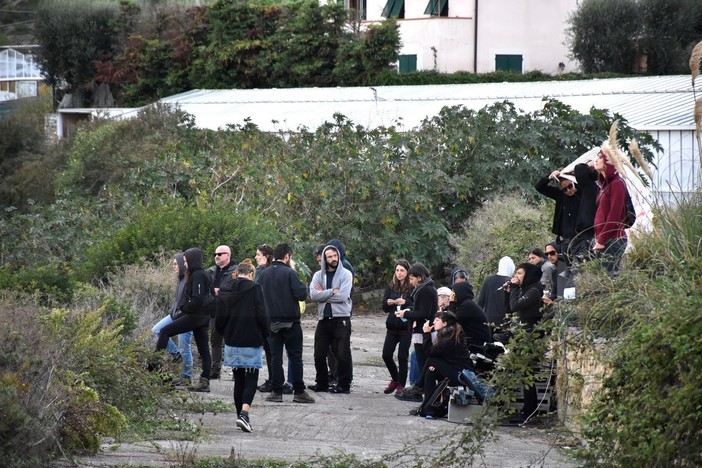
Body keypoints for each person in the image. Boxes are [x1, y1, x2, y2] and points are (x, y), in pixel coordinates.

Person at [257, 243, 315, 403]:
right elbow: (301, 294)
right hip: (291, 322)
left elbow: (258, 297)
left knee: (276, 358)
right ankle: (299, 392)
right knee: (295, 358)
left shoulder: (264, 274)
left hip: (272, 323)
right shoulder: (290, 273)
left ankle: (276, 392)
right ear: (287, 256)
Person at [215, 260, 268, 433]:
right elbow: (261, 313)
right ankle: (244, 414)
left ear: (237, 273)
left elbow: (220, 317)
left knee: (238, 380)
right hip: (251, 339)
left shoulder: (225, 289)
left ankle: (240, 415)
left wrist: (224, 332)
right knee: (251, 378)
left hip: (232, 339)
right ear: (251, 273)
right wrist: (265, 333)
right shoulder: (255, 289)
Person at [156, 247, 212, 392]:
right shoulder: (197, 274)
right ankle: (204, 381)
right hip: (202, 317)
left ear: (192, 260)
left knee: (164, 331)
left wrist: (184, 308)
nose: (185, 263)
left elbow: (197, 299)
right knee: (204, 350)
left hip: (196, 316)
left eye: (186, 260)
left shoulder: (198, 275)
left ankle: (154, 365)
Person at [502, 262, 547, 425]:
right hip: (522, 334)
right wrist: (508, 293)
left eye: (520, 273)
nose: (516, 276)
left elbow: (516, 306)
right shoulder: (526, 289)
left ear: (528, 275)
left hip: (530, 336)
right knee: (522, 373)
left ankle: (530, 411)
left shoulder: (534, 290)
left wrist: (513, 289)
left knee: (527, 373)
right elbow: (509, 310)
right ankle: (526, 410)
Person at [308, 244, 354, 394]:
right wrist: (331, 292)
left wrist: (324, 295)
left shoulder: (346, 274)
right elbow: (313, 296)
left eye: (335, 255)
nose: (333, 259)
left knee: (342, 354)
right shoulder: (318, 275)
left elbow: (343, 296)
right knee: (319, 354)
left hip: (341, 319)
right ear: (324, 259)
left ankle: (343, 385)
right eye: (329, 256)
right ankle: (322, 383)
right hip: (324, 319)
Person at [409, 311, 472, 419]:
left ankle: (419, 386)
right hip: (451, 368)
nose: (434, 322)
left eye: (437, 320)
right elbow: (439, 355)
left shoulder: (450, 338)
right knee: (430, 371)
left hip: (460, 373)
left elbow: (430, 353)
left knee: (431, 360)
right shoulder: (447, 334)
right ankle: (428, 408)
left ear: (445, 323)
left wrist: (426, 333)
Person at [394, 263, 438, 401]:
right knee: (423, 362)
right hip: (422, 329)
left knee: (423, 362)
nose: (410, 281)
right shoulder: (425, 289)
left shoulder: (425, 291)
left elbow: (423, 313)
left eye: (412, 278)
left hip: (423, 330)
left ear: (419, 278)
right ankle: (421, 388)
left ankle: (421, 390)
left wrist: (406, 315)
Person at [255, 243, 293, 395]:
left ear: (266, 256)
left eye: (258, 254)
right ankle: (273, 379)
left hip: (275, 316)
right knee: (269, 350)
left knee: (274, 351)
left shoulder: (272, 272)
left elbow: (257, 287)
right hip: (264, 316)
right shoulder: (263, 271)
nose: (256, 257)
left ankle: (276, 381)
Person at [151, 253, 193, 386]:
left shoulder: (190, 278)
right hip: (174, 314)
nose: (174, 266)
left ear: (182, 264)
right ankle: (176, 355)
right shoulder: (180, 278)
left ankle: (186, 377)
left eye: (176, 264)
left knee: (184, 346)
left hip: (186, 317)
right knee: (157, 330)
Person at [380, 259, 413, 395]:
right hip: (392, 326)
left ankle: (401, 384)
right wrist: (389, 303)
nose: (399, 273)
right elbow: (384, 308)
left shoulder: (412, 287)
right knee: (386, 354)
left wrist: (405, 302)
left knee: (402, 356)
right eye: (397, 270)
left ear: (407, 272)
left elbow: (415, 305)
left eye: (402, 270)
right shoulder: (391, 286)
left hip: (405, 326)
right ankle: (395, 378)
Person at [593, 148, 629, 273]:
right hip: (605, 239)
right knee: (603, 279)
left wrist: (602, 239)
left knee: (609, 280)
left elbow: (614, 215)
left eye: (600, 157)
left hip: (614, 239)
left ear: (608, 161)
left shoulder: (617, 184)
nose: (596, 160)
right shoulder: (604, 185)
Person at [535, 170, 581, 260]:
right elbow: (539, 187)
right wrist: (550, 176)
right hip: (565, 239)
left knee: (579, 268)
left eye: (570, 186)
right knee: (569, 269)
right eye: (564, 189)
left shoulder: (583, 192)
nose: (568, 190)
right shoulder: (560, 195)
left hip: (580, 238)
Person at [207, 245, 236, 380]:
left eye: (220, 254)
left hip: (231, 312)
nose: (216, 256)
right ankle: (215, 369)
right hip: (215, 311)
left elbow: (239, 289)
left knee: (234, 341)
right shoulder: (211, 271)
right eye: (215, 254)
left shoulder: (235, 271)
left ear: (228, 255)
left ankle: (237, 370)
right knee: (215, 341)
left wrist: (221, 291)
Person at [449, 281, 492, 347]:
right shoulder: (466, 304)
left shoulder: (467, 305)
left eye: (453, 292)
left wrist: (452, 303)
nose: (451, 295)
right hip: (474, 339)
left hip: (478, 342)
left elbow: (451, 321)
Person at [477, 256, 515, 327]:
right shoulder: (510, 282)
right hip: (505, 322)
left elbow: (480, 302)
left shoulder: (488, 280)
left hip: (488, 321)